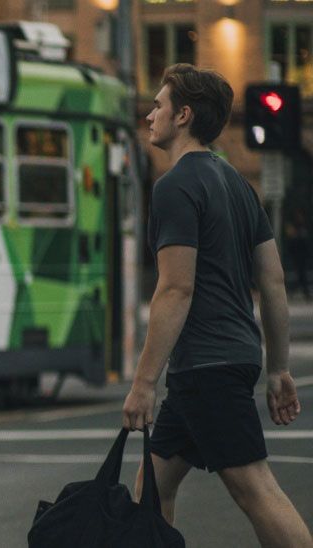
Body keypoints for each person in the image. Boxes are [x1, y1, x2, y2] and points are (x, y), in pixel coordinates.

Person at [123, 64, 312, 547]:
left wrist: (143, 383)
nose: (149, 115)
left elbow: (174, 289)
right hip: (214, 365)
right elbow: (272, 283)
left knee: (255, 489)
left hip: (208, 363)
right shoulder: (238, 187)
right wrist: (277, 369)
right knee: (152, 488)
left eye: (159, 106)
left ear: (182, 115)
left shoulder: (175, 187)